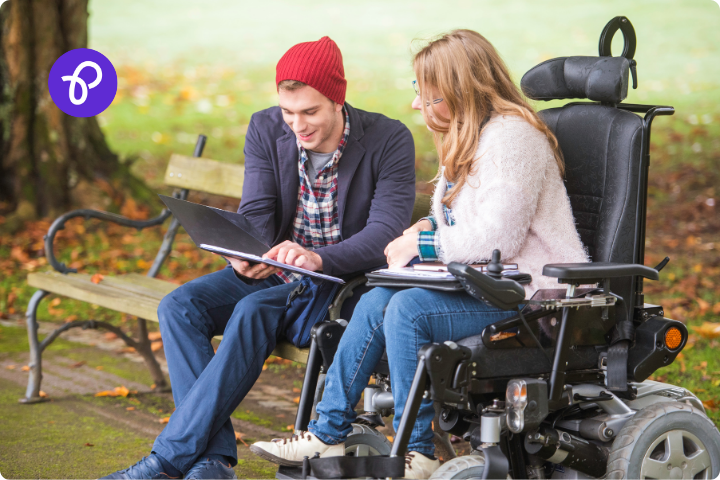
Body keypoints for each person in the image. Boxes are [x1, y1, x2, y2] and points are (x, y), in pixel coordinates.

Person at [250, 29, 589, 479]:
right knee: (374, 300)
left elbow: (498, 238)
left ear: (461, 91)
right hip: (489, 284)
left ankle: (419, 450)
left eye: (428, 97)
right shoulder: (470, 136)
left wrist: (423, 244)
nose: (417, 107)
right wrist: (426, 226)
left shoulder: (512, 138)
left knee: (408, 309)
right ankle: (325, 431)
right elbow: (461, 220)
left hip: (535, 293)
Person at [100, 36, 416, 480]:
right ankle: (211, 462)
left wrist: (317, 259)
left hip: (340, 283)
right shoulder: (266, 128)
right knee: (179, 305)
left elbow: (384, 234)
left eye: (310, 112)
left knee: (251, 310)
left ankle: (169, 461)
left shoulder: (388, 139)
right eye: (289, 112)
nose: (297, 125)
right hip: (279, 270)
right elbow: (258, 211)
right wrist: (246, 253)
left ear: (338, 99)